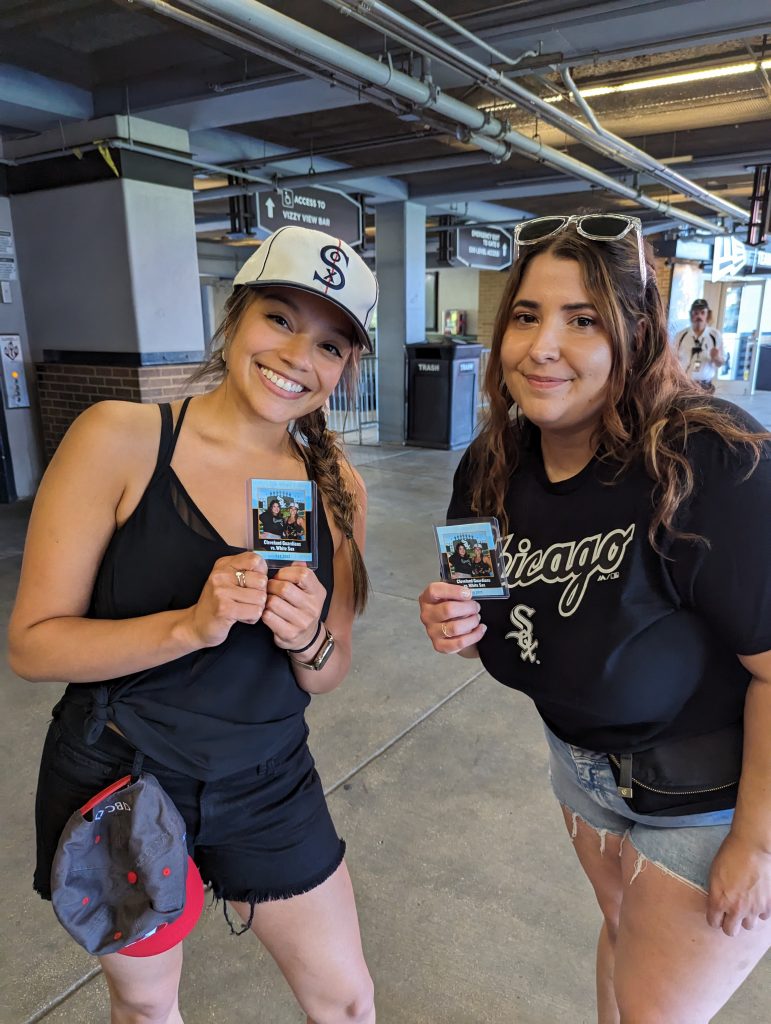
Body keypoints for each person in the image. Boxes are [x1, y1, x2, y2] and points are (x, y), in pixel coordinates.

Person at [9, 225, 378, 1024]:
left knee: (346, 1003)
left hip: (268, 777)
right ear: (235, 314)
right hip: (121, 776)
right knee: (147, 1011)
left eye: (329, 345)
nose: (297, 358)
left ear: (345, 367)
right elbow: (34, 643)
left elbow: (330, 665)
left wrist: (306, 634)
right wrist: (189, 625)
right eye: (279, 318)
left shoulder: (332, 482)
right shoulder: (121, 438)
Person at [418, 213, 771, 1023]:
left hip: (708, 796)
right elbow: (474, 606)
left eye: (582, 321)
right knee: (618, 933)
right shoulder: (489, 464)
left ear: (636, 336)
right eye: (526, 315)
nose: (542, 346)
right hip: (580, 772)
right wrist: (454, 620)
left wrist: (754, 843)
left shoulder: (708, 460)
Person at [674, 297, 725, 390]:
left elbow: (720, 363)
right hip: (684, 385)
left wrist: (716, 357)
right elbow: (673, 360)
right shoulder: (680, 335)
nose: (699, 316)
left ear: (708, 315)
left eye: (702, 313)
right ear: (691, 314)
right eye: (696, 313)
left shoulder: (715, 336)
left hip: (705, 386)